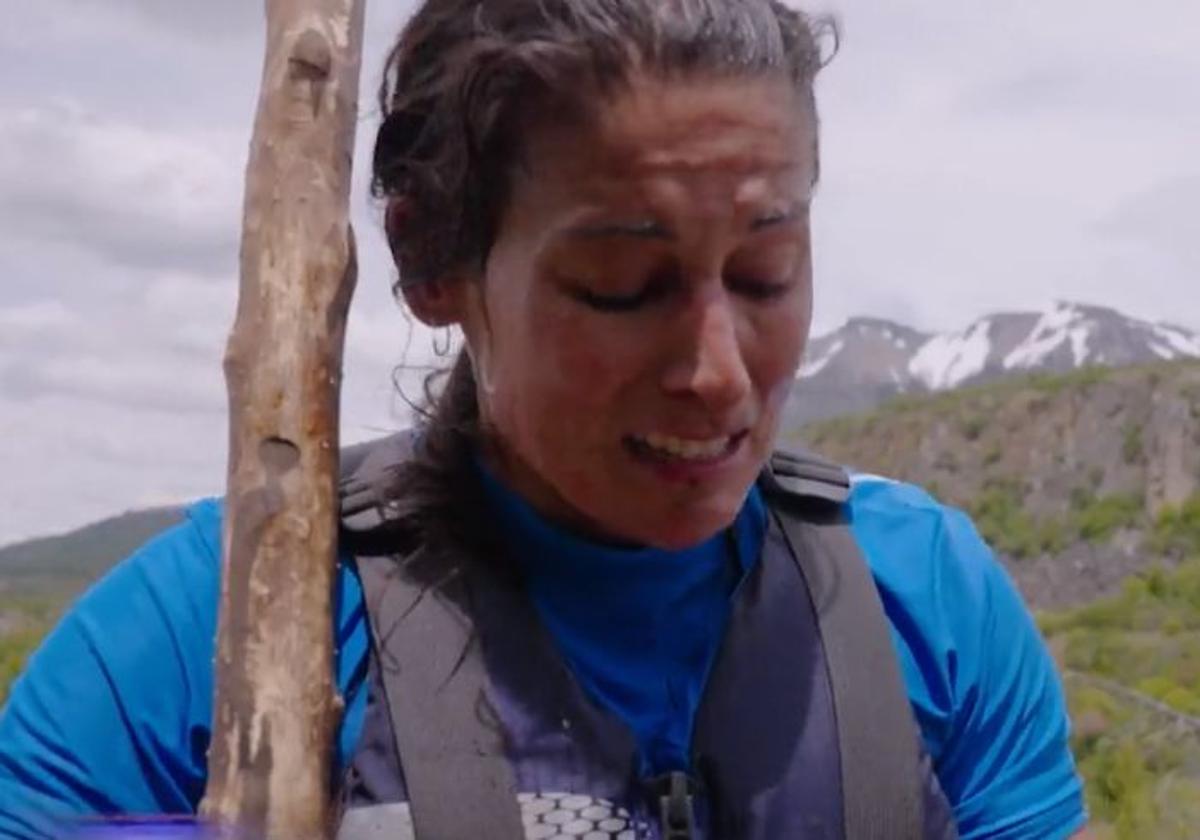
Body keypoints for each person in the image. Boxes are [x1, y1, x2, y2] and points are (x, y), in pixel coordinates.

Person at [0, 1, 1091, 838]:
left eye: (767, 271)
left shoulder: (925, 604)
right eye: (621, 284)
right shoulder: (192, 643)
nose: (719, 374)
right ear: (431, 256)